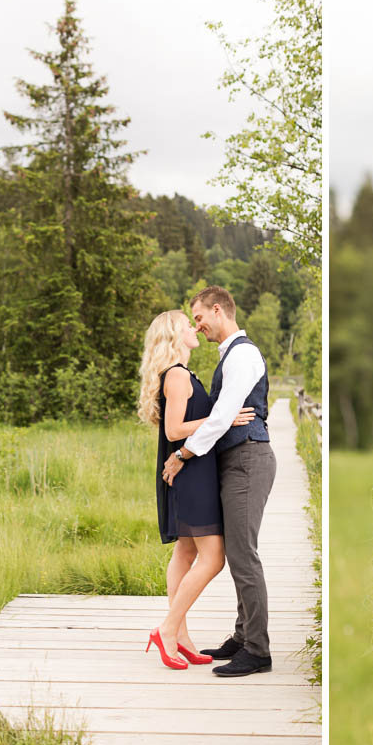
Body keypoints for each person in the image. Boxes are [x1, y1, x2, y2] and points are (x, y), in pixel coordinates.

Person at [161, 286, 277, 678]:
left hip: (247, 459)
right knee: (239, 553)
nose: (199, 326)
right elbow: (221, 418)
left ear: (217, 310)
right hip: (234, 461)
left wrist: (181, 455)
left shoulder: (242, 354)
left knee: (243, 555)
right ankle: (243, 636)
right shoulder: (229, 355)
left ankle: (257, 650)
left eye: (199, 318)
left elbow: (222, 416)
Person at [137, 309, 253, 670]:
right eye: (189, 325)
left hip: (193, 469)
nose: (195, 328)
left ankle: (181, 636)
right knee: (213, 557)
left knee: (186, 553)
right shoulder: (176, 375)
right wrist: (224, 417)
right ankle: (168, 629)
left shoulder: (182, 374)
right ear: (176, 334)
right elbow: (174, 430)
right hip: (190, 474)